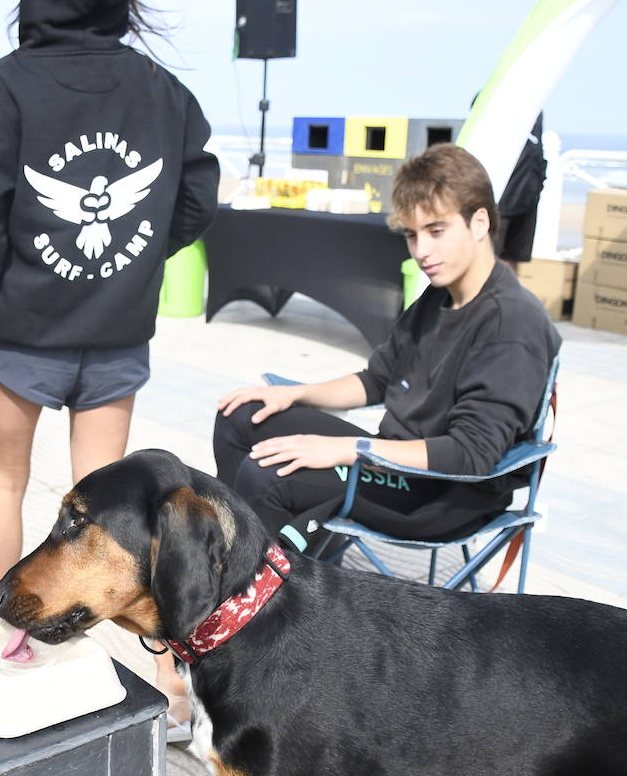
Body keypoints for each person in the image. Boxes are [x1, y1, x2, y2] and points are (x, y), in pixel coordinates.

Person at [0, 0, 219, 738]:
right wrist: (132, 259)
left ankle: (11, 634)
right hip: (117, 332)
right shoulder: (163, 91)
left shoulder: (3, 87)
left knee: (4, 481)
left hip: (22, 337)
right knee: (114, 507)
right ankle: (163, 677)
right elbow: (196, 196)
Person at [215, 143, 560, 550]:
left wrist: (347, 450)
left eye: (436, 231)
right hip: (391, 462)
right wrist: (294, 394)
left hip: (441, 493)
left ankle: (265, 588)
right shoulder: (438, 296)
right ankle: (231, 552)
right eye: (413, 236)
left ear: (480, 222)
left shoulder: (511, 322)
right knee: (241, 415)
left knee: (268, 470)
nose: (421, 252)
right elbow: (377, 379)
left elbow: (470, 456)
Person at [493, 111, 546, 271]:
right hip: (500, 200)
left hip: (528, 195)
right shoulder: (495, 100)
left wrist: (539, 180)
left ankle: (508, 293)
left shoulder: (535, 104)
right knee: (490, 256)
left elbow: (537, 146)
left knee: (512, 255)